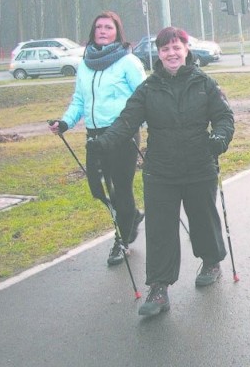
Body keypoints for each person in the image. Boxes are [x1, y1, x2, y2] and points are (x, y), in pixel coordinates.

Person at [87, 26, 234, 317]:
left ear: (186, 49)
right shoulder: (149, 87)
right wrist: (103, 142)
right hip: (160, 170)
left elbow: (224, 117)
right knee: (160, 230)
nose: (171, 53)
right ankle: (159, 288)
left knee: (203, 219)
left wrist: (220, 138)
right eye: (165, 49)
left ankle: (211, 261)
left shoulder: (205, 83)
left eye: (176, 47)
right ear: (159, 54)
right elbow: (126, 121)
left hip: (199, 165)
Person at [49, 11, 146, 266]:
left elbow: (144, 96)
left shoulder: (128, 62)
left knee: (119, 187)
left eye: (108, 27)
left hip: (121, 134)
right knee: (98, 188)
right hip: (94, 136)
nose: (102, 31)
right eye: (99, 27)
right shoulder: (85, 64)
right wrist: (65, 122)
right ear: (93, 32)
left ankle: (122, 240)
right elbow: (80, 100)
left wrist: (150, 127)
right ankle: (132, 216)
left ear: (117, 32)